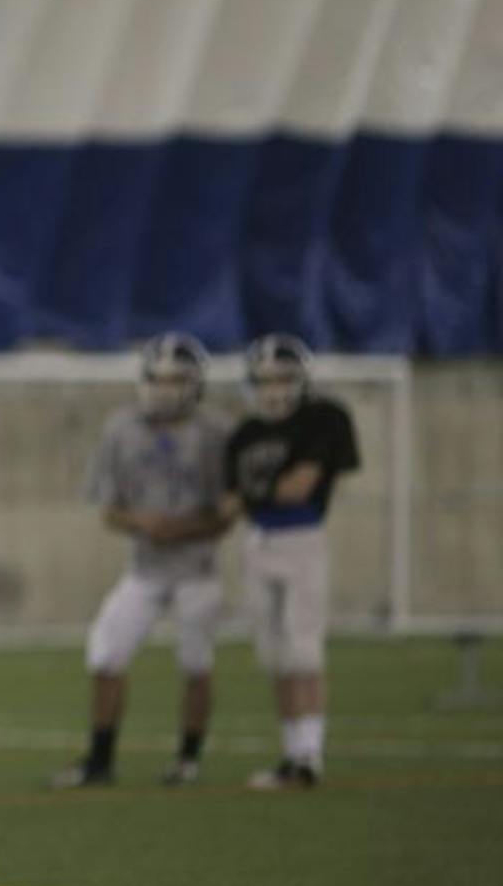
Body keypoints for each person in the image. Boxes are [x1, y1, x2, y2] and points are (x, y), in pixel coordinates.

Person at [52, 333, 232, 789]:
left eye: (176, 379)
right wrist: (144, 523)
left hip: (197, 568)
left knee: (196, 663)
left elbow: (230, 509)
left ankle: (188, 760)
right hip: (145, 569)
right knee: (106, 654)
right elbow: (109, 510)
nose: (165, 388)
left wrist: (184, 527)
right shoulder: (122, 428)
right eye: (157, 378)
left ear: (195, 384)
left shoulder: (215, 434)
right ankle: (100, 759)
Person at [222, 334, 359, 790]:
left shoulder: (323, 419)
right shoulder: (244, 433)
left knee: (303, 648)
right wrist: (254, 498)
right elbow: (227, 503)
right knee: (275, 655)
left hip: (302, 538)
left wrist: (250, 497)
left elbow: (299, 488)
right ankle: (290, 752)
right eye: (265, 378)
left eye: (283, 377)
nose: (274, 387)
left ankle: (310, 755)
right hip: (259, 541)